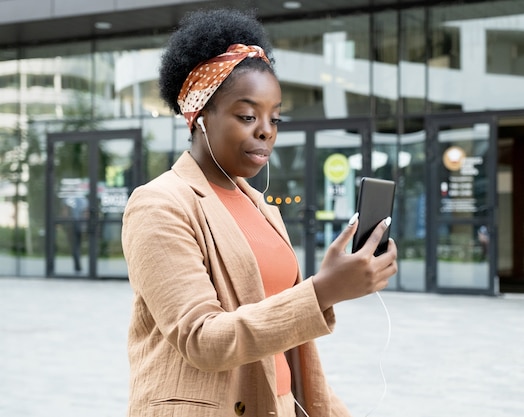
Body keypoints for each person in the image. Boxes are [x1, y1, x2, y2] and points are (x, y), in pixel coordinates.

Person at [121, 8, 397, 417]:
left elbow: (290, 348)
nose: (266, 130)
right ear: (199, 117)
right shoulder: (159, 203)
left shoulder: (263, 207)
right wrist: (325, 289)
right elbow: (203, 339)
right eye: (248, 116)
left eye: (275, 117)